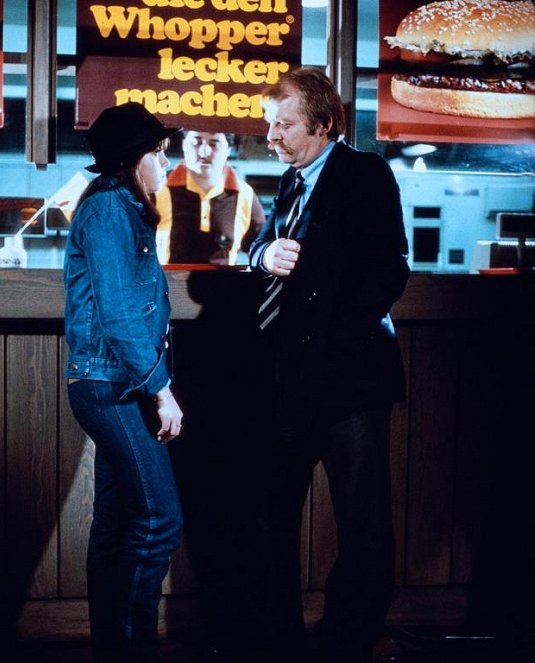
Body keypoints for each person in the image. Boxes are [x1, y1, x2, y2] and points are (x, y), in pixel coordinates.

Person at [248, 67, 410, 663]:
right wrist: (265, 254)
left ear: (322, 123)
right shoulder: (291, 183)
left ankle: (349, 640)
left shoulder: (365, 174)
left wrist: (325, 348)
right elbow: (256, 250)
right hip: (292, 381)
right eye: (270, 123)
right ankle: (278, 639)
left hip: (350, 383)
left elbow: (388, 271)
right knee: (271, 514)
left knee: (362, 524)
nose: (271, 135)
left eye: (283, 123)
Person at [63, 102, 184, 663]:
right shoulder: (111, 208)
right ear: (136, 158)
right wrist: (162, 389)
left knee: (116, 522)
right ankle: (132, 650)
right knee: (159, 520)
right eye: (161, 152)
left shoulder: (119, 206)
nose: (168, 162)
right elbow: (117, 315)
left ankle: (113, 647)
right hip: (111, 385)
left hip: (114, 383)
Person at [154, 130, 265, 265]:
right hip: (170, 283)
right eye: (196, 142)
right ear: (183, 144)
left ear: (228, 149)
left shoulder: (244, 194)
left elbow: (261, 249)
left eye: (214, 144)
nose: (204, 152)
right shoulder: (158, 189)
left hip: (225, 284)